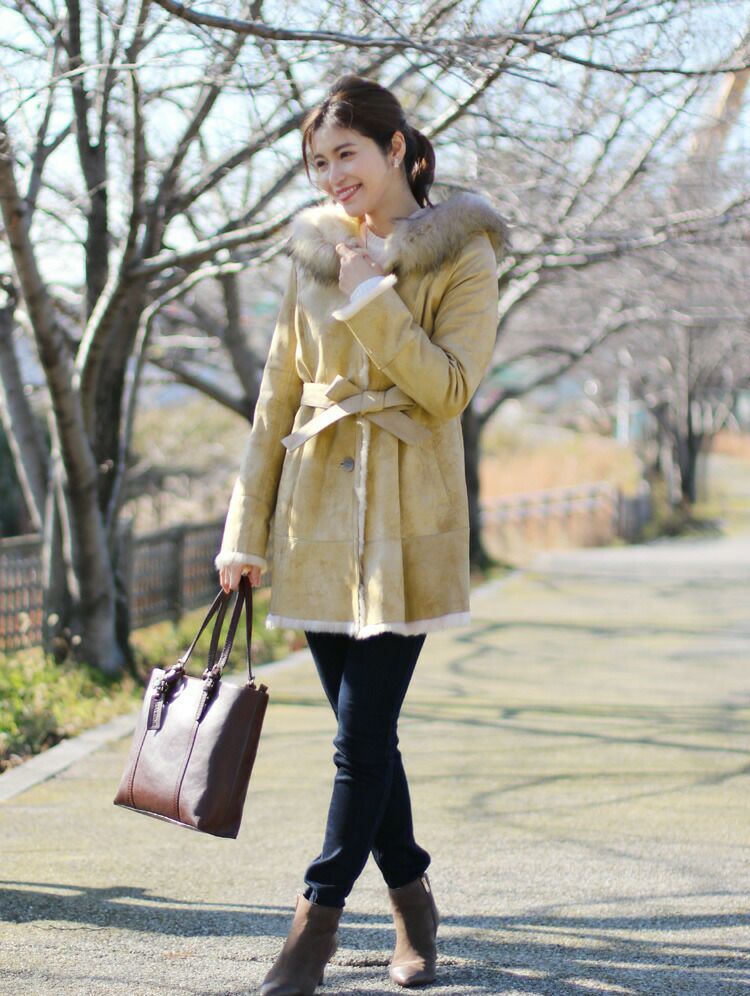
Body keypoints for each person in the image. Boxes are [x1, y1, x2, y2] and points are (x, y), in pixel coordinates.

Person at [215, 74, 508, 995]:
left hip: (410, 521)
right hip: (316, 520)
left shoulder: (463, 251)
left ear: (395, 149)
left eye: (347, 153)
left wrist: (372, 296)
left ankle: (315, 925)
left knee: (360, 737)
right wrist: (243, 532)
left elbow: (448, 389)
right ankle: (414, 900)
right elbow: (276, 398)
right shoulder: (312, 250)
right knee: (365, 738)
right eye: (318, 161)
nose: (333, 174)